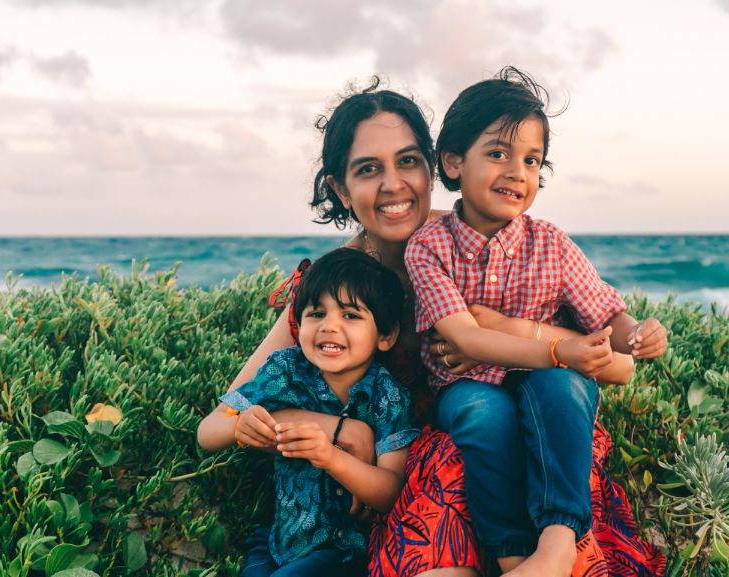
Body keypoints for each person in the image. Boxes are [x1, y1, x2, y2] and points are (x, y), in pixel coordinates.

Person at [199, 77, 665, 577]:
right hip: (415, 467)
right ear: (339, 186)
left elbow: (617, 368)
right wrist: (338, 428)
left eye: (407, 161)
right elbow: (221, 421)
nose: (394, 184)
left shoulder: (487, 235)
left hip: (533, 446)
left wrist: (508, 329)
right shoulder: (332, 292)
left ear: (433, 165)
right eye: (368, 169)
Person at [404, 67, 669, 577]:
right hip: (465, 385)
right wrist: (558, 350)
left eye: (531, 160)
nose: (517, 172)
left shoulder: (551, 243)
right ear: (454, 161)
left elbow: (608, 315)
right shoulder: (429, 247)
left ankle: (557, 544)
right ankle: (511, 556)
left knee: (564, 389)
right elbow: (465, 338)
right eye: (498, 154)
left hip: (545, 381)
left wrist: (635, 334)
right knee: (484, 413)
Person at [198, 248, 420, 576]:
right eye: (316, 314)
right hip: (278, 542)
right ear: (298, 323)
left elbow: (390, 492)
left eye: (350, 315)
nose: (329, 326)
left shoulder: (386, 396)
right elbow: (208, 434)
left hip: (341, 549)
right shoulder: (286, 370)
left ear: (385, 336)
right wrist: (240, 424)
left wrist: (331, 457)